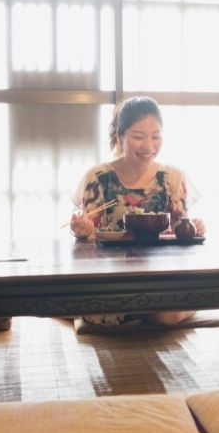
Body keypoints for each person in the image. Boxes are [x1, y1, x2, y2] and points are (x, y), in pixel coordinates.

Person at [69, 96, 206, 326]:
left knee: (168, 315)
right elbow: (88, 238)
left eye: (156, 136)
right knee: (102, 314)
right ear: (119, 136)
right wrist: (81, 230)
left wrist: (194, 229)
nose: (149, 146)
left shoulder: (172, 178)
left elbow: (181, 234)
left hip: (162, 276)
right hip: (113, 277)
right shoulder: (99, 177)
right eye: (138, 137)